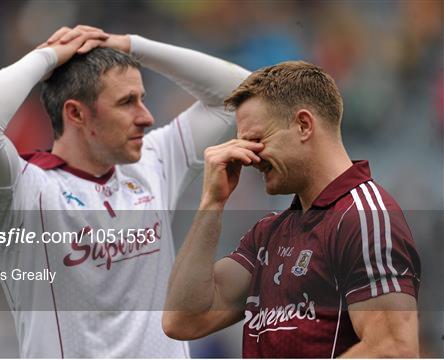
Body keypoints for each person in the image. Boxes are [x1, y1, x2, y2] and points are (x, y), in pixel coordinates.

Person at [0, 25, 249, 358]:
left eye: (142, 99)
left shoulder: (153, 163)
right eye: (127, 102)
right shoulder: (22, 190)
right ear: (76, 113)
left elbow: (240, 89)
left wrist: (130, 45)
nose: (146, 117)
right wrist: (48, 56)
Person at [162, 61, 421, 357]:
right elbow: (183, 319)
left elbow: (393, 350)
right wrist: (212, 201)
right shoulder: (268, 233)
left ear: (303, 125)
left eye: (257, 141)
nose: (250, 158)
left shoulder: (363, 217)